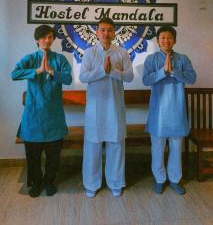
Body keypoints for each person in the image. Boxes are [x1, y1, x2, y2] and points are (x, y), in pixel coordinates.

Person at [11, 25, 72, 197]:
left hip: (54, 116)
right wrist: (37, 71)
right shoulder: (30, 58)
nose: (47, 40)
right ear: (37, 40)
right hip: (33, 116)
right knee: (33, 156)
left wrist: (52, 71)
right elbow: (14, 74)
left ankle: (49, 182)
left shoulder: (60, 59)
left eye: (50, 37)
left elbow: (68, 79)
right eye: (43, 37)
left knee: (53, 156)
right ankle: (36, 183)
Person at [79, 17, 134, 197]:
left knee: (116, 144)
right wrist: (103, 71)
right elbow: (84, 77)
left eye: (110, 30)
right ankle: (91, 184)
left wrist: (113, 72)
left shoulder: (122, 53)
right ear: (97, 32)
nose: (106, 33)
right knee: (92, 146)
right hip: (95, 107)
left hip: (115, 106)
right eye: (102, 29)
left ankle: (115, 183)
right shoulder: (89, 53)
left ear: (114, 32)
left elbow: (129, 77)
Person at [143, 26, 196, 195]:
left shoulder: (182, 59)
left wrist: (173, 71)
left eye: (170, 37)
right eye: (163, 37)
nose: (166, 40)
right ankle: (159, 179)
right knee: (157, 148)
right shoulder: (151, 59)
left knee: (175, 147)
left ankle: (174, 179)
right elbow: (145, 79)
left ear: (175, 40)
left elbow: (192, 78)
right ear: (158, 40)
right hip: (158, 112)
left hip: (176, 109)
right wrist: (162, 71)